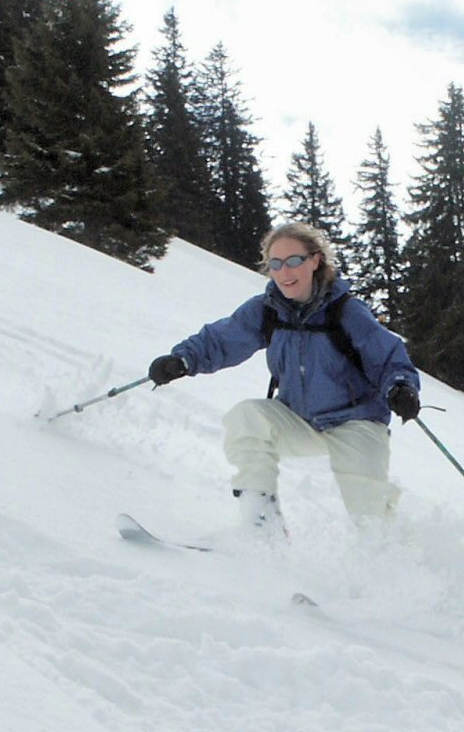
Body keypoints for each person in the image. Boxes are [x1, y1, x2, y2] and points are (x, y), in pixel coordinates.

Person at [147, 222, 421, 532]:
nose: (284, 272)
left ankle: (387, 560)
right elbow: (224, 338)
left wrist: (401, 387)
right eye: (275, 264)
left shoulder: (345, 312)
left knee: (368, 504)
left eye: (294, 261)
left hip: (355, 421)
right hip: (299, 418)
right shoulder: (268, 310)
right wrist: (183, 359)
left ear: (315, 261)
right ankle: (263, 528)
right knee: (247, 419)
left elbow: (386, 355)